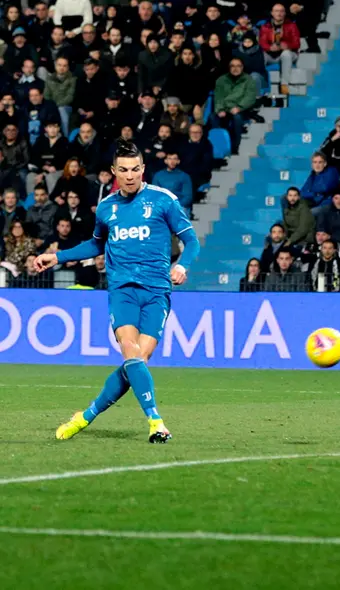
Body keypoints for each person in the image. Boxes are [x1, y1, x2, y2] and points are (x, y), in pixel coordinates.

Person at [34, 139, 200, 444]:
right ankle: (156, 422)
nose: (130, 175)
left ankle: (85, 416)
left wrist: (183, 265)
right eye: (123, 170)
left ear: (143, 169)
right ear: (114, 172)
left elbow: (192, 241)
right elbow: (96, 244)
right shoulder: (107, 208)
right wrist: (57, 256)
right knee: (129, 349)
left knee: (138, 361)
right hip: (122, 290)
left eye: (135, 169)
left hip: (157, 291)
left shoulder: (163, 200)